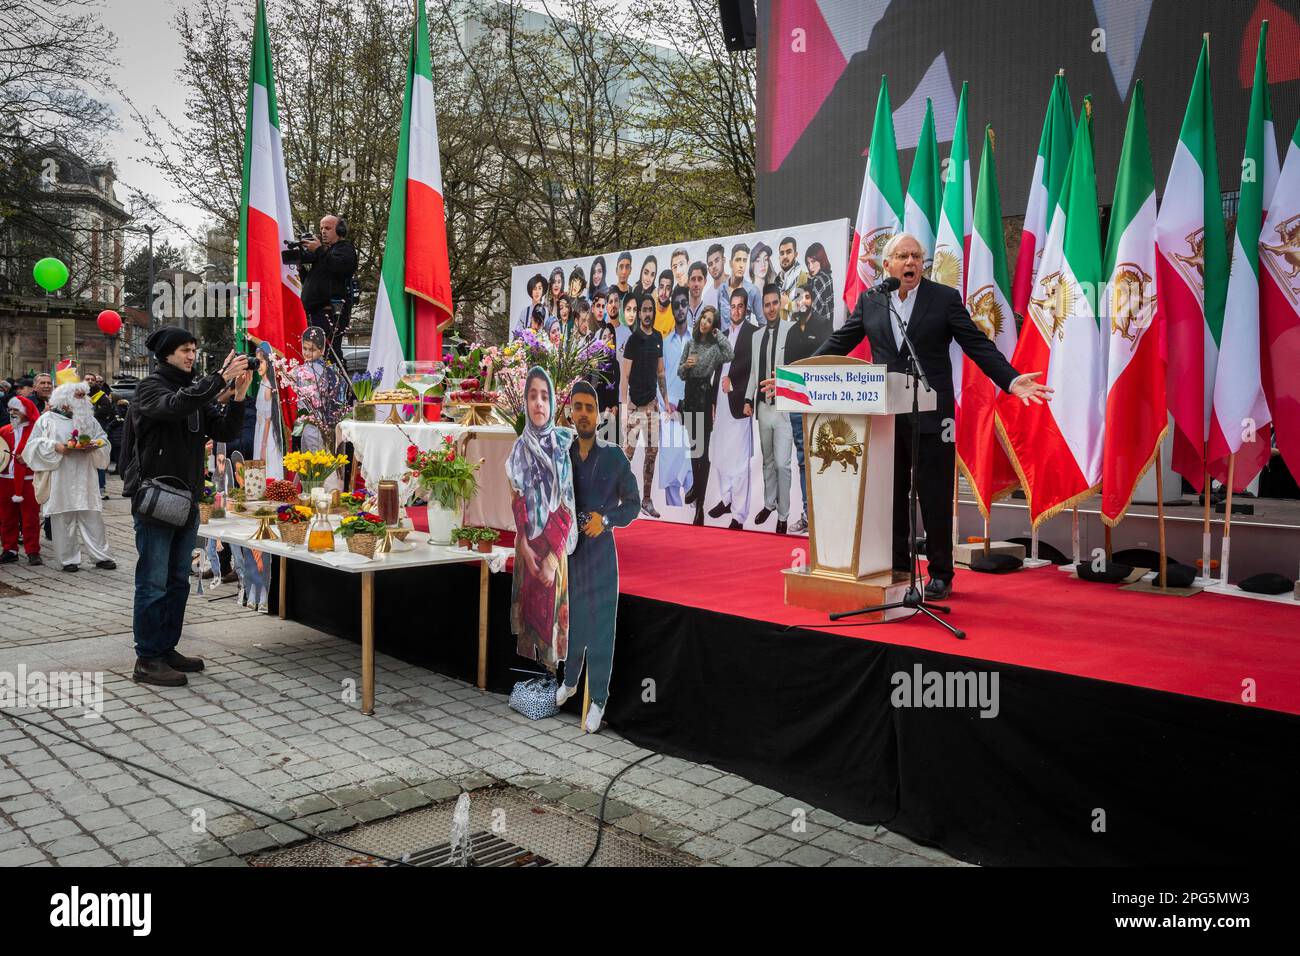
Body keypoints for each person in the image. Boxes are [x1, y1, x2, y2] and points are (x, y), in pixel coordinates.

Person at [806, 233, 1052, 600]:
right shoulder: (872, 301)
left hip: (934, 417)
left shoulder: (943, 298)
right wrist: (798, 373)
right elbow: (841, 341)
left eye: (916, 256)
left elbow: (977, 343)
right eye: (902, 257)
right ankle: (899, 563)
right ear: (886, 264)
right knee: (891, 495)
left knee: (935, 497)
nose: (910, 263)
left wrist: (1011, 379)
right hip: (887, 418)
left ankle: (940, 573)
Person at [122, 326, 251, 686]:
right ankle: (147, 658)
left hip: (188, 498)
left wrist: (238, 396)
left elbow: (224, 431)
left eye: (194, 349)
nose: (191, 355)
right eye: (183, 350)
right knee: (153, 581)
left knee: (178, 580)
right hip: (156, 499)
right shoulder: (151, 388)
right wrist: (219, 378)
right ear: (165, 354)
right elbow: (175, 405)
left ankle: (166, 647)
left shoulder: (195, 392)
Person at [557, 382, 639, 733]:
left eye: (590, 407)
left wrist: (606, 520)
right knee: (573, 617)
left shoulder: (615, 455)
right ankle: (570, 679)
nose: (584, 414)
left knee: (602, 626)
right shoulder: (563, 456)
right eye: (578, 407)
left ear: (599, 413)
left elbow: (633, 504)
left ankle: (599, 700)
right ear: (570, 412)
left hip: (602, 550)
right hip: (571, 550)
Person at [506, 367, 577, 673]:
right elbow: (518, 499)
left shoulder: (561, 447)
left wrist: (550, 557)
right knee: (530, 618)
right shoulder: (520, 448)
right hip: (528, 547)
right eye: (532, 396)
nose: (538, 403)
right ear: (525, 401)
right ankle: (533, 678)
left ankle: (552, 678)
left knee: (551, 620)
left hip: (552, 548)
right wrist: (522, 542)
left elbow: (567, 505)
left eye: (545, 397)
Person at [21, 381, 114, 573]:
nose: (83, 400)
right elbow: (32, 446)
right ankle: (68, 559)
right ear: (64, 398)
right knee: (62, 518)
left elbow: (103, 438)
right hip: (60, 476)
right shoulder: (47, 420)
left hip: (86, 475)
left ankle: (101, 556)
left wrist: (96, 445)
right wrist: (55, 447)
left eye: (83, 396)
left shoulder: (89, 420)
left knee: (92, 515)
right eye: (78, 396)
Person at [677, 306, 733, 525]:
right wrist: (686, 366)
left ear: (713, 326)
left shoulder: (714, 348)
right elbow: (680, 373)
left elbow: (730, 353)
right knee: (694, 450)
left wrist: (718, 334)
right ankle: (696, 493)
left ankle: (699, 505)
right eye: (703, 318)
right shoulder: (690, 344)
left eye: (710, 321)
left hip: (704, 396)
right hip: (689, 396)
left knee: (703, 455)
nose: (704, 322)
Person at [708, 288, 759, 528]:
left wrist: (740, 391)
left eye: (740, 306)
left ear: (746, 308)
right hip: (721, 403)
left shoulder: (753, 334)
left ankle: (739, 514)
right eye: (733, 306)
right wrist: (714, 401)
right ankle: (726, 498)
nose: (736, 310)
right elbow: (718, 369)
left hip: (740, 402)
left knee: (739, 460)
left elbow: (754, 370)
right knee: (720, 453)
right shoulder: (724, 335)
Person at [783, 282, 831, 533]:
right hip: (796, 403)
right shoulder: (791, 332)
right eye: (798, 297)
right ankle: (807, 514)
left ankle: (824, 516)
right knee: (803, 459)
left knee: (823, 458)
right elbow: (788, 368)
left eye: (806, 296)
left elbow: (826, 361)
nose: (802, 301)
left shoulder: (823, 325)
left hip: (820, 402)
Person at [748, 285, 794, 533]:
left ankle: (784, 515)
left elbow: (798, 368)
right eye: (767, 304)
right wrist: (747, 398)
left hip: (784, 408)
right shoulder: (757, 336)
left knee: (782, 464)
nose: (771, 308)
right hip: (763, 408)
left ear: (781, 303)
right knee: (767, 461)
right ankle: (769, 503)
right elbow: (754, 372)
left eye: (775, 303)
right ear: (762, 308)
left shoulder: (792, 331)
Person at [622, 292, 671, 518]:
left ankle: (647, 500)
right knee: (626, 456)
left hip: (652, 406)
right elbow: (625, 377)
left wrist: (666, 400)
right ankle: (616, 498)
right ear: (639, 312)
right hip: (634, 407)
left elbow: (660, 372)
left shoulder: (658, 338)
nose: (648, 313)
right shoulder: (633, 340)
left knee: (652, 454)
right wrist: (625, 408)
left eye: (651, 310)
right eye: (644, 310)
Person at [298, 214, 358, 360]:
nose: (323, 231)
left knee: (329, 353)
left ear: (340, 230)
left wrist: (319, 250)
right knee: (316, 355)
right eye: (321, 228)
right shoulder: (326, 254)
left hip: (330, 312)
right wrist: (301, 269)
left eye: (328, 228)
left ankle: (337, 381)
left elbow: (340, 267)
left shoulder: (346, 249)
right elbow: (315, 282)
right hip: (315, 312)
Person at [285, 326, 348, 455]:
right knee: (312, 457)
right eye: (305, 348)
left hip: (318, 422)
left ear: (322, 350)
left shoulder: (325, 372)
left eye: (312, 350)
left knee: (316, 458)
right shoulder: (306, 370)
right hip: (309, 422)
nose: (307, 353)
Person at [657, 288, 694, 507]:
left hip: (692, 413)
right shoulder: (663, 343)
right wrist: (665, 405)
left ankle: (694, 516)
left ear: (688, 306)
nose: (680, 308)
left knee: (691, 468)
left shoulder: (697, 341)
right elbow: (658, 377)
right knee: (671, 470)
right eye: (676, 305)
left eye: (684, 304)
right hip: (670, 414)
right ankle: (673, 517)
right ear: (671, 309)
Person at [0, 395, 42, 565]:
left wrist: (29, 458)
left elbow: (44, 451)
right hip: (5, 478)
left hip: (28, 479)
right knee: (6, 517)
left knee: (30, 517)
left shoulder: (37, 430)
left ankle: (33, 550)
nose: (12, 413)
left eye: (16, 409)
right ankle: (9, 549)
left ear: (25, 411)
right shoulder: (3, 431)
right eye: (10, 410)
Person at [85, 373, 114, 500]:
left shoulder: (101, 395)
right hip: (82, 431)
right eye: (87, 379)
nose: (90, 381)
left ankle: (101, 488)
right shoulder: (79, 392)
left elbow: (107, 410)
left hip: (97, 430)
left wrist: (92, 412)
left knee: (98, 458)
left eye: (92, 379)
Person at [714, 243, 757, 325]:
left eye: (744, 261)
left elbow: (763, 323)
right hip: (724, 337)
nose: (741, 265)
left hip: (743, 337)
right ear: (730, 263)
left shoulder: (752, 290)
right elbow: (719, 321)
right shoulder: (721, 289)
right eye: (738, 260)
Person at [776, 236, 809, 321]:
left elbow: (803, 308)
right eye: (782, 253)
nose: (785, 256)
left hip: (796, 330)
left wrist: (787, 305)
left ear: (795, 254)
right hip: (779, 329)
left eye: (788, 252)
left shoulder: (801, 277)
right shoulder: (777, 279)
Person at [805, 242, 835, 326]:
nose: (810, 267)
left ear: (821, 260)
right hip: (826, 330)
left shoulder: (819, 280)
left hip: (817, 332)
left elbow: (811, 312)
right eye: (808, 263)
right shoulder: (827, 277)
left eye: (813, 262)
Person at [748, 241, 774, 316]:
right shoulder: (748, 295)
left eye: (765, 259)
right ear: (752, 265)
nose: (763, 264)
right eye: (758, 260)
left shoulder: (774, 290)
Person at [683, 260, 708, 331]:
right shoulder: (679, 311)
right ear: (688, 282)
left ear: (705, 282)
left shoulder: (709, 313)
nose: (696, 284)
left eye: (700, 279)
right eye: (693, 279)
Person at [653, 269, 675, 336]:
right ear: (658, 289)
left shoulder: (674, 314)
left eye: (668, 288)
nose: (664, 292)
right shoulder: (650, 307)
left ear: (671, 292)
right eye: (661, 287)